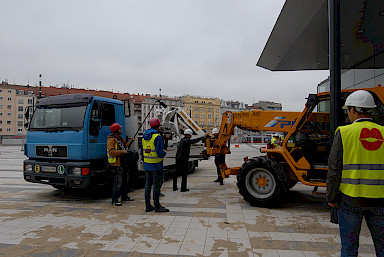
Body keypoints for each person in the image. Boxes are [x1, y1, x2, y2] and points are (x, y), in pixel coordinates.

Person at [326, 90, 384, 257]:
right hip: (380, 201)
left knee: (349, 248)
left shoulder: (344, 133)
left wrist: (330, 197)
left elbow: (334, 169)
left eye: (348, 111)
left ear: (352, 110)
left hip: (351, 200)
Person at [141, 117, 169, 212]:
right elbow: (159, 152)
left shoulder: (144, 137)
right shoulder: (157, 137)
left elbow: (142, 151)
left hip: (147, 165)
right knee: (156, 186)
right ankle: (157, 206)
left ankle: (148, 206)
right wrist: (164, 152)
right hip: (156, 165)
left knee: (147, 186)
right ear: (158, 126)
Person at [107, 123, 135, 206]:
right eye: (120, 129)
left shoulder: (120, 138)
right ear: (116, 130)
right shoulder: (111, 140)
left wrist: (130, 142)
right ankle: (115, 199)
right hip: (117, 164)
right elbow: (111, 151)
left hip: (123, 163)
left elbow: (124, 147)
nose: (121, 130)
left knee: (125, 181)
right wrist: (122, 152)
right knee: (118, 182)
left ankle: (124, 196)